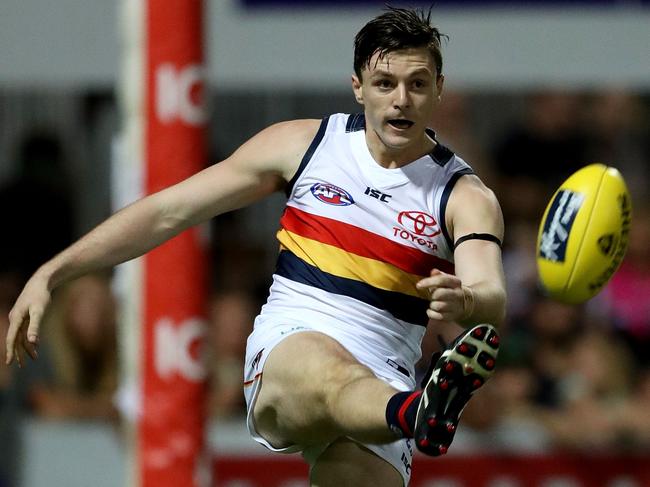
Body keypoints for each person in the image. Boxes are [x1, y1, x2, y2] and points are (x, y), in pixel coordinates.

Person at [6, 7, 506, 486]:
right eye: (385, 84)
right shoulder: (302, 146)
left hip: (384, 380)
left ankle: (411, 408)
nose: (401, 99)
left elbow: (491, 296)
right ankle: (418, 410)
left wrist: (466, 301)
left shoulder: (463, 194)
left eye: (417, 84)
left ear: (437, 89)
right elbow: (166, 211)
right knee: (328, 371)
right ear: (358, 87)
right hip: (293, 347)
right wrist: (53, 272)